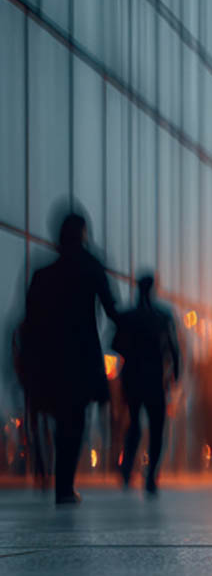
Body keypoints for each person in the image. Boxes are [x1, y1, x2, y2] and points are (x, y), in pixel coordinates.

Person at [23, 210, 119, 504]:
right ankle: (64, 485)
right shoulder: (91, 268)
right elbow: (112, 309)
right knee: (74, 421)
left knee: (58, 418)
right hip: (81, 358)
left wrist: (29, 364)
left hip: (50, 360)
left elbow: (30, 324)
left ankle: (58, 481)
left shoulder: (43, 275)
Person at [113, 274, 181, 495]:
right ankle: (151, 474)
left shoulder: (128, 317)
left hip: (133, 378)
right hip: (155, 379)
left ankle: (127, 470)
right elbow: (173, 348)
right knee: (157, 427)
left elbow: (116, 344)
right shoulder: (162, 317)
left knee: (134, 424)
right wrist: (175, 375)